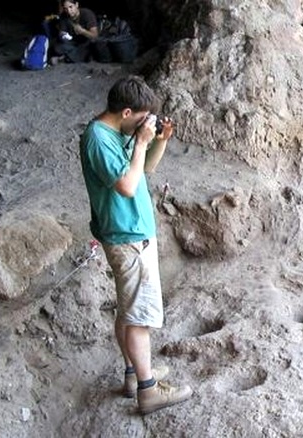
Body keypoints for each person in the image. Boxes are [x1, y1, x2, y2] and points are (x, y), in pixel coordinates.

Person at [79, 76, 192, 414]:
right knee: (139, 317)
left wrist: (159, 142)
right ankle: (149, 390)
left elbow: (144, 171)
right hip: (126, 237)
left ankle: (134, 374)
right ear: (126, 111)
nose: (145, 123)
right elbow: (127, 186)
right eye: (142, 117)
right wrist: (142, 141)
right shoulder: (98, 139)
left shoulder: (117, 132)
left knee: (129, 311)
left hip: (132, 233)